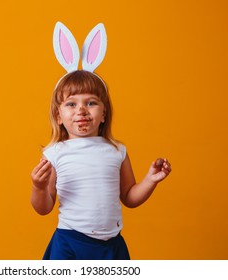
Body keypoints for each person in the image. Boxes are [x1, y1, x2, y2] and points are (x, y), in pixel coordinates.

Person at [30, 22, 171, 260]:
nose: (82, 110)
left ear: (104, 113)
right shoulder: (55, 153)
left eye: (91, 103)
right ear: (59, 116)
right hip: (70, 242)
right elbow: (44, 208)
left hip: (111, 246)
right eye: (71, 104)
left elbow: (129, 197)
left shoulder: (116, 151)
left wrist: (150, 180)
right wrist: (39, 187)